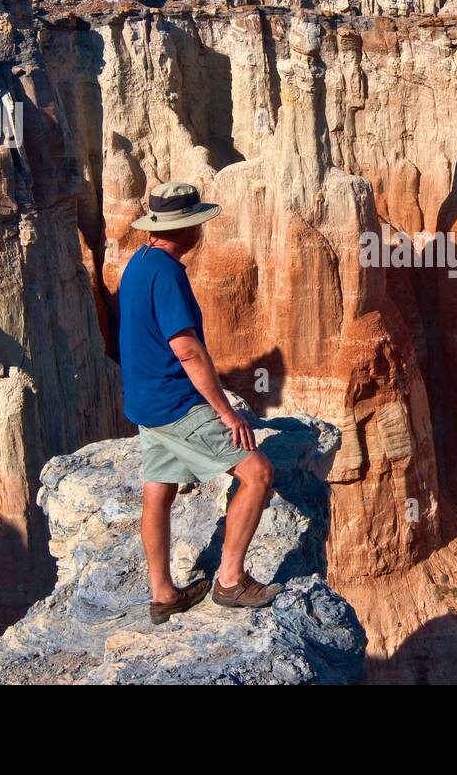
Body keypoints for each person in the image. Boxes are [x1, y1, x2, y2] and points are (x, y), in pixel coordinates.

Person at [117, 182, 280, 623]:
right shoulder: (168, 274)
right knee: (257, 473)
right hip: (175, 404)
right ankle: (230, 580)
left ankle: (164, 593)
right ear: (186, 229)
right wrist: (226, 413)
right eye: (198, 223)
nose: (202, 230)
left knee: (158, 491)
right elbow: (186, 349)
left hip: (145, 402)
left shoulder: (138, 263)